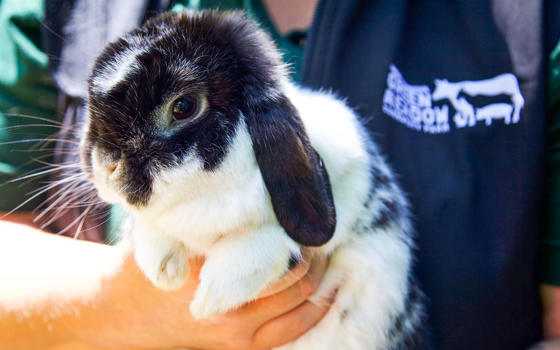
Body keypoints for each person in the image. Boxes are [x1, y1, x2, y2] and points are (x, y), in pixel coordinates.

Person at [1, 0, 560, 349]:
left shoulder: (534, 19)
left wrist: (279, 238)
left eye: (183, 109)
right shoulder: (53, 11)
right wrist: (121, 310)